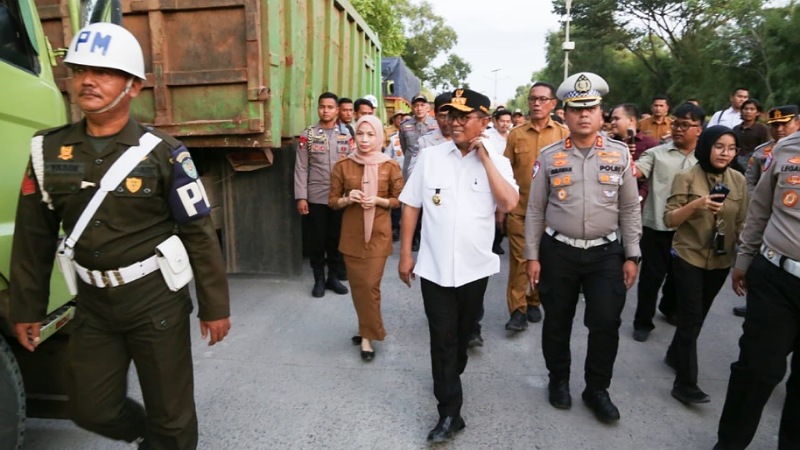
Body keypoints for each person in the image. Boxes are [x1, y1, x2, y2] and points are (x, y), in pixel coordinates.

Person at [9, 22, 230, 449]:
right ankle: (159, 439)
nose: (88, 80)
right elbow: (33, 235)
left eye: (104, 72)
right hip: (93, 305)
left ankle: (168, 439)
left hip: (155, 301)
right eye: (80, 71)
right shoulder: (49, 150)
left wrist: (214, 306)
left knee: (172, 412)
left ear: (133, 87)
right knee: (90, 407)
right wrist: (27, 307)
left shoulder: (164, 153)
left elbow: (198, 232)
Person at [398, 88, 518, 443]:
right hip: (434, 269)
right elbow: (410, 205)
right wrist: (406, 253)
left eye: (463, 117)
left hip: (474, 270)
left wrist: (486, 159)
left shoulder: (498, 159)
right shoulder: (431, 157)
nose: (454, 122)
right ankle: (449, 411)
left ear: (484, 122)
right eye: (450, 115)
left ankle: (453, 372)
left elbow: (509, 202)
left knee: (462, 337)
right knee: (442, 340)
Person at [525, 72, 642, 424]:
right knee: (557, 322)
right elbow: (534, 209)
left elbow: (629, 208)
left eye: (591, 107)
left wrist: (633, 253)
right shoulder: (548, 157)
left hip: (606, 253)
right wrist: (532, 255)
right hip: (558, 251)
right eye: (576, 109)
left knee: (606, 322)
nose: (584, 115)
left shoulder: (619, 154)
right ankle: (558, 380)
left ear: (601, 111)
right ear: (564, 113)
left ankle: (597, 389)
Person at [714, 128, 800, 450]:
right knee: (757, 372)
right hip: (777, 279)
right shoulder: (786, 149)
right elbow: (760, 208)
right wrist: (744, 258)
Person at [662, 126, 748, 404]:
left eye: (731, 148)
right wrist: (696, 204)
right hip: (689, 256)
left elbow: (743, 222)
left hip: (721, 260)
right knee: (690, 317)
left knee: (698, 317)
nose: (725, 153)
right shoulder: (686, 177)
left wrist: (744, 262)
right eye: (719, 146)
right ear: (707, 146)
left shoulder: (739, 180)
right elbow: (669, 219)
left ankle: (676, 354)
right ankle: (685, 384)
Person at [329, 115, 404, 362]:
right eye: (360, 134)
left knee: (370, 286)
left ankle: (368, 337)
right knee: (359, 287)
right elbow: (332, 201)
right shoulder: (343, 165)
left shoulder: (390, 166)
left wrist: (380, 201)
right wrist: (348, 199)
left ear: (379, 136)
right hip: (351, 236)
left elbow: (399, 199)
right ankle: (365, 328)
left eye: (370, 134)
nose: (364, 139)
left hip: (378, 236)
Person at [631, 103, 705, 341]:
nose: (679, 129)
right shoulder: (656, 153)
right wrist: (624, 156)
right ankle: (643, 322)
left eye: (686, 125)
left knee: (681, 277)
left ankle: (670, 308)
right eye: (676, 124)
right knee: (651, 278)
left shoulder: (706, 158)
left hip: (691, 232)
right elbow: (636, 172)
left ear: (699, 129)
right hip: (657, 228)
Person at [500, 81, 568, 334]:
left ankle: (534, 300)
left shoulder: (563, 134)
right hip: (521, 210)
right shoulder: (516, 134)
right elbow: (506, 173)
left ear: (552, 104)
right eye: (532, 99)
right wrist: (501, 208)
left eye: (542, 99)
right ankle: (516, 311)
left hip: (554, 213)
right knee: (519, 261)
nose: (536, 103)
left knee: (545, 261)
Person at [735, 105, 800, 318]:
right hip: (773, 237)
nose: (779, 129)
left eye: (785, 124)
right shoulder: (769, 151)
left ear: (797, 122)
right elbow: (751, 181)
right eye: (775, 125)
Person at [295, 92, 352, 297]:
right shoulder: (308, 135)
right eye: (322, 107)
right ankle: (318, 279)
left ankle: (333, 278)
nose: (325, 110)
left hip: (340, 197)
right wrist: (301, 196)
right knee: (317, 240)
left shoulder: (346, 135)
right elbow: (301, 167)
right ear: (318, 109)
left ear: (337, 110)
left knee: (336, 239)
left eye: (330, 107)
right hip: (316, 196)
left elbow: (353, 165)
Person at [609, 103, 658, 206]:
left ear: (631, 120)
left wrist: (640, 196)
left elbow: (654, 176)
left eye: (616, 119)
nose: (612, 122)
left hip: (641, 204)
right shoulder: (608, 144)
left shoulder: (650, 144)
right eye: (611, 119)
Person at [399, 94, 438, 180]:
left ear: (428, 108)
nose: (419, 108)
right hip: (411, 167)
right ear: (412, 108)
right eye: (416, 106)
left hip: (431, 167)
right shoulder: (405, 125)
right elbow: (404, 147)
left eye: (422, 105)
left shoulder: (436, 124)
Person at [732, 98, 769, 172]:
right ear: (741, 111)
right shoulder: (736, 129)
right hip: (735, 165)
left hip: (753, 166)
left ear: (757, 112)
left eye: (752, 109)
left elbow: (766, 148)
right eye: (746, 109)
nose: (748, 111)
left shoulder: (762, 129)